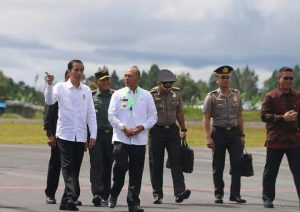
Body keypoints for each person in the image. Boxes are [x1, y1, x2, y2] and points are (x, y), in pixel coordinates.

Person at [45, 59, 97, 211]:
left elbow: (91, 114)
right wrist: (49, 84)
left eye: (81, 70)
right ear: (69, 72)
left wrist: (92, 134)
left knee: (75, 168)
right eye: (76, 70)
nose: (79, 73)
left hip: (80, 135)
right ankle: (74, 194)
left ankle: (66, 202)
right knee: (67, 167)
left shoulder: (86, 90)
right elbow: (49, 100)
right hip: (64, 134)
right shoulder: (59, 87)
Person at [107, 66, 157, 212]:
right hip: (121, 138)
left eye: (130, 76)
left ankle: (133, 202)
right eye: (125, 75)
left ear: (138, 78)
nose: (126, 78)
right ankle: (114, 193)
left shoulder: (147, 95)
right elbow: (111, 115)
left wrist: (141, 127)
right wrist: (123, 128)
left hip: (139, 140)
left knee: (136, 172)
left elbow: (153, 116)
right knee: (120, 167)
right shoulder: (117, 94)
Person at [203, 65, 246, 204]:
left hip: (234, 133)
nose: (226, 80)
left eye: (227, 77)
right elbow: (206, 117)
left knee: (237, 164)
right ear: (217, 79)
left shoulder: (236, 95)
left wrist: (242, 134)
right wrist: (208, 137)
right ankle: (219, 193)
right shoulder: (212, 97)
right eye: (223, 77)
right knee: (218, 165)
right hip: (218, 133)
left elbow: (239, 116)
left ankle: (235, 194)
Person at [148, 69, 191, 204]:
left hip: (173, 131)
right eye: (165, 84)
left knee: (176, 161)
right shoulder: (151, 95)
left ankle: (179, 192)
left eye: (170, 84)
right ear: (159, 83)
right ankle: (157, 194)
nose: (168, 87)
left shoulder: (176, 93)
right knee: (156, 163)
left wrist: (183, 129)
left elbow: (179, 112)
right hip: (157, 131)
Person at [261, 67, 300, 208]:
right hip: (276, 140)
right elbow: (264, 116)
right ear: (279, 79)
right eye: (286, 78)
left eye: (291, 78)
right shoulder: (270, 96)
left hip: (294, 141)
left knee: (298, 171)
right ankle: (267, 198)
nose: (289, 81)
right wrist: (282, 118)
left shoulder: (297, 96)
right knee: (271, 172)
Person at [89, 69, 114, 207]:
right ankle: (97, 193)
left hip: (111, 135)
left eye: (107, 79)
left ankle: (106, 194)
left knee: (108, 164)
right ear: (96, 82)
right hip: (96, 135)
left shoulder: (116, 96)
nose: (105, 82)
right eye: (102, 80)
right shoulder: (91, 96)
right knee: (96, 164)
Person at [43, 70, 69, 204]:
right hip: (59, 135)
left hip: (74, 136)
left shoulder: (80, 92)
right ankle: (50, 193)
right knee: (56, 165)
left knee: (72, 168)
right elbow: (48, 114)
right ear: (66, 76)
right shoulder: (57, 91)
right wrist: (50, 134)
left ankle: (70, 196)